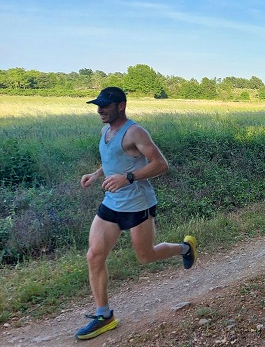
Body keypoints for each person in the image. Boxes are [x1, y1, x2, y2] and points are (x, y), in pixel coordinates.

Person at [76, 87, 198, 340]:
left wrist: (128, 178)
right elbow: (112, 158)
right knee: (94, 255)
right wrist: (97, 174)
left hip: (137, 204)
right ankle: (104, 315)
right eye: (98, 105)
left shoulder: (135, 132)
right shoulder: (105, 131)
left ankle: (185, 248)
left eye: (105, 105)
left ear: (121, 106)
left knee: (146, 255)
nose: (100, 110)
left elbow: (161, 164)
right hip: (111, 203)